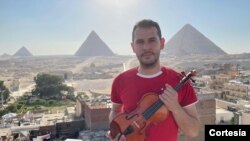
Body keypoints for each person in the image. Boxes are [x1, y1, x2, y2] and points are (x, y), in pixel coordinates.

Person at [108, 19, 200, 141]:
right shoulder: (120, 81)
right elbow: (115, 112)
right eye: (140, 42)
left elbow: (193, 132)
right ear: (133, 47)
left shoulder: (180, 82)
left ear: (162, 43)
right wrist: (117, 131)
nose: (146, 47)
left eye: (152, 40)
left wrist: (175, 107)